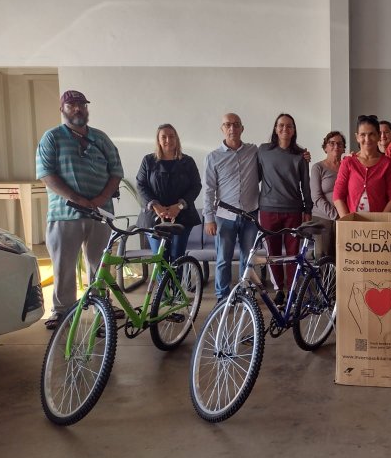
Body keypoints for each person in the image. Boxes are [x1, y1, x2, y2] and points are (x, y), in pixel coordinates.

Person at [36, 90, 124, 330]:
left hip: (100, 213)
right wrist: (77, 198)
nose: (78, 109)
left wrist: (100, 198)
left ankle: (101, 305)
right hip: (65, 215)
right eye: (72, 105)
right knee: (63, 265)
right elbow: (46, 174)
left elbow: (116, 171)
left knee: (100, 264)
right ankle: (62, 311)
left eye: (82, 105)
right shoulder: (52, 138)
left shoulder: (101, 138)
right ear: (62, 109)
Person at [203, 113, 260, 302]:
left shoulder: (254, 151)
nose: (232, 128)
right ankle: (222, 296)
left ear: (242, 128)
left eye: (236, 125)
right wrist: (209, 218)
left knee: (248, 258)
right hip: (225, 216)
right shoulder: (213, 157)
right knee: (223, 259)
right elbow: (209, 190)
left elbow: (275, 156)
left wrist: (302, 154)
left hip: (250, 214)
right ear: (222, 129)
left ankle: (244, 294)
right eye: (227, 125)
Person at [258, 113, 313, 304]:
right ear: (275, 128)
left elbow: (305, 185)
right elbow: (255, 177)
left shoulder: (301, 155)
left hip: (294, 211)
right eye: (281, 125)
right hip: (267, 209)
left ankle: (292, 289)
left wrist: (308, 209)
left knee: (292, 254)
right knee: (273, 254)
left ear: (294, 130)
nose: (285, 129)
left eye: (289, 126)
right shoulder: (263, 151)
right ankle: (278, 289)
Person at [136, 124, 202, 263]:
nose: (168, 140)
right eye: (164, 137)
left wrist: (178, 206)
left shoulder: (187, 161)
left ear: (176, 139)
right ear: (158, 140)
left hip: (182, 216)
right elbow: (141, 185)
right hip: (154, 217)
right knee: (160, 258)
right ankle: (163, 285)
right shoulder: (148, 161)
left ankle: (177, 285)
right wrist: (155, 205)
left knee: (177, 257)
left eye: (171, 136)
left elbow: (196, 186)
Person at [333, 115, 391, 216]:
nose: (367, 139)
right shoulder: (348, 162)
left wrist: (381, 222)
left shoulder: (387, 164)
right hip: (352, 225)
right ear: (357, 137)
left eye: (371, 134)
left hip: (379, 227)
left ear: (378, 135)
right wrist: (348, 222)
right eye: (363, 135)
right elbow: (337, 196)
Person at [310, 131, 345, 258]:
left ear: (343, 148)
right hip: (322, 216)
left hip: (344, 216)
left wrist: (343, 216)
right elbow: (316, 197)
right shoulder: (318, 168)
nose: (336, 146)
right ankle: (324, 278)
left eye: (340, 144)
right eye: (332, 143)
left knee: (343, 254)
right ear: (325, 147)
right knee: (324, 255)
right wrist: (335, 215)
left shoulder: (347, 166)